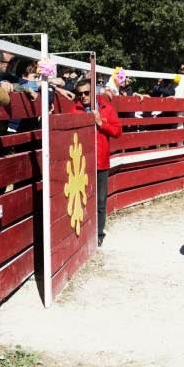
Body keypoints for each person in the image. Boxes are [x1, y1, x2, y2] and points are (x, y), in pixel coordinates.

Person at [69, 79, 122, 247]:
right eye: (80, 94)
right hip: (81, 163)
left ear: (93, 92)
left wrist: (100, 123)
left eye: (86, 93)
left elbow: (118, 131)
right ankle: (83, 233)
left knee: (99, 201)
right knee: (81, 198)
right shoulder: (73, 110)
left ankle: (98, 234)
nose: (83, 96)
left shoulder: (107, 107)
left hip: (100, 162)